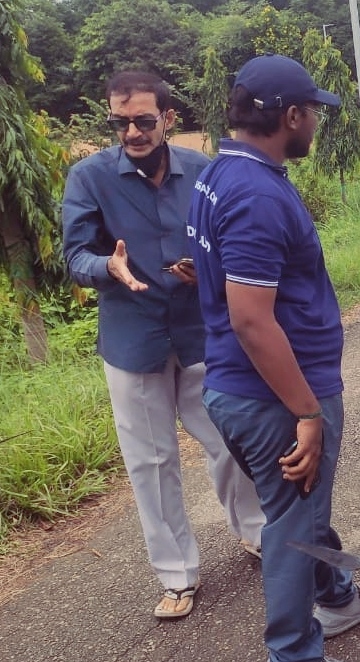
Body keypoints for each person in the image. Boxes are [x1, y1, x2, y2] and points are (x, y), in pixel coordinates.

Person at [189, 54, 360, 662]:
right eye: (313, 113)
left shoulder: (220, 173)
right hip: (271, 393)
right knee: (290, 524)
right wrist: (306, 411)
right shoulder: (254, 193)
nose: (316, 125)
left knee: (305, 508)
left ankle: (334, 597)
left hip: (249, 385)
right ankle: (293, 660)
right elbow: (252, 320)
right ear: (291, 115)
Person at [62, 71, 264, 620]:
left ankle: (256, 533)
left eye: (144, 121)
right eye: (121, 121)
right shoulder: (89, 178)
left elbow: (230, 240)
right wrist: (108, 265)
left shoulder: (203, 171)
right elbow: (75, 256)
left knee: (230, 439)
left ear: (168, 120)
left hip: (202, 331)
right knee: (151, 461)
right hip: (134, 338)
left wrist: (209, 271)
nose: (132, 132)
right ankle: (177, 576)